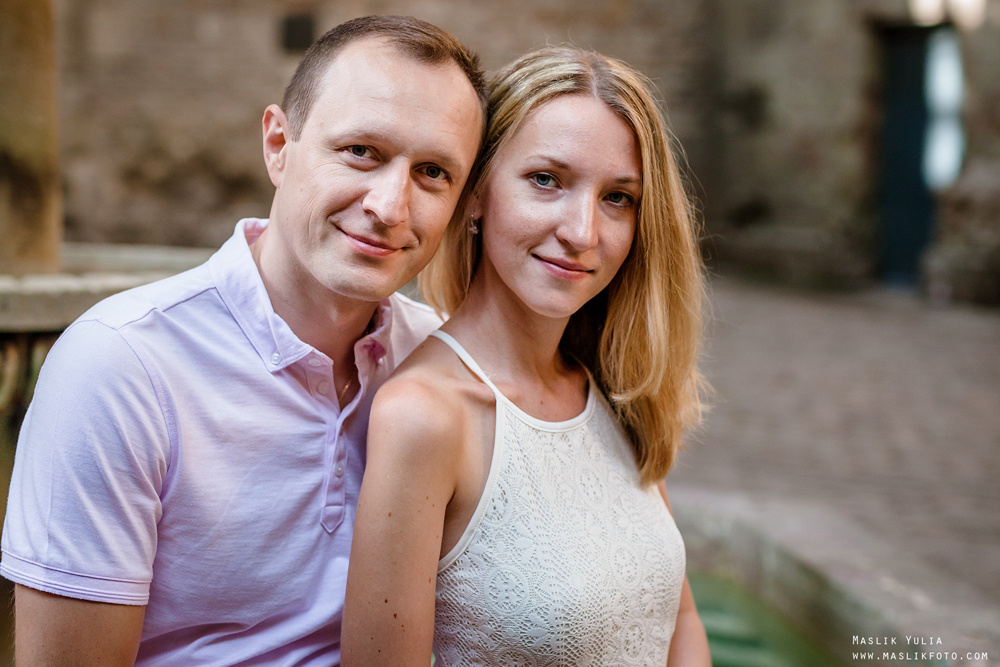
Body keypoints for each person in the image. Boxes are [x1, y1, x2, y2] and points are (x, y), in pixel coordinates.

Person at [0, 15, 485, 666]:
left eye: (432, 172)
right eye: (360, 151)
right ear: (279, 144)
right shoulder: (122, 364)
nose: (390, 206)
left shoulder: (438, 363)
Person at [342, 46, 712, 665]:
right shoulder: (425, 416)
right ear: (477, 193)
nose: (582, 232)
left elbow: (680, 618)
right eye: (546, 180)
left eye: (618, 197)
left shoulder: (612, 384)